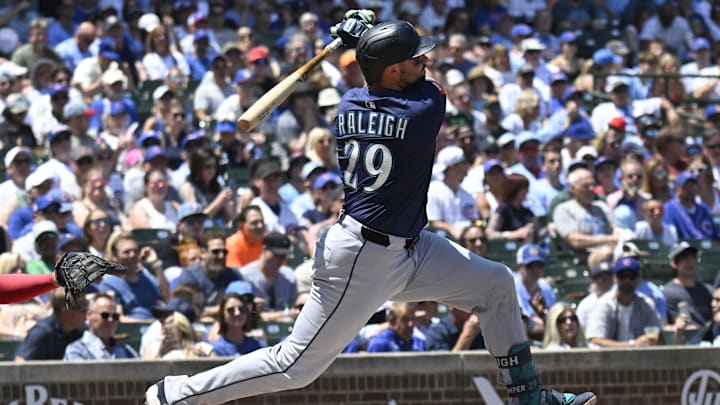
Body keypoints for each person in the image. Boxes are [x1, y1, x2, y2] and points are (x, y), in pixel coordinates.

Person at [146, 17, 596, 405]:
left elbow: (377, 80)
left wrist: (359, 43)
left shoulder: (349, 106)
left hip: (408, 248)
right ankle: (176, 395)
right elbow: (425, 86)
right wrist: (363, 39)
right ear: (395, 69)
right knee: (294, 366)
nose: (426, 63)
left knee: (496, 283)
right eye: (416, 59)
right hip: (363, 257)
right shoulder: (423, 108)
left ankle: (526, 398)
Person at [585, 257, 662, 348]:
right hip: (609, 359)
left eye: (631, 276)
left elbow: (658, 334)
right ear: (614, 278)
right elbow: (595, 340)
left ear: (638, 279)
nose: (627, 281)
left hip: (641, 358)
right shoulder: (604, 303)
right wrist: (632, 345)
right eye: (622, 276)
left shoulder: (646, 304)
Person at [15, 288, 86, 362]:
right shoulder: (41, 332)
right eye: (82, 309)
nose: (86, 313)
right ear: (65, 312)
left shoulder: (83, 333)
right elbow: (20, 362)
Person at [239, 231, 298, 320]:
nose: (280, 259)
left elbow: (294, 309)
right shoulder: (245, 275)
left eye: (283, 256)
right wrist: (286, 314)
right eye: (276, 255)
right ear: (264, 250)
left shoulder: (289, 276)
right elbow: (252, 315)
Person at [63, 293, 138, 360]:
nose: (111, 320)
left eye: (115, 316)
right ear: (89, 315)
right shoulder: (76, 350)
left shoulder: (128, 351)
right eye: (105, 315)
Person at [663, 242, 713, 328]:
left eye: (693, 257)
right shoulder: (667, 293)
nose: (690, 262)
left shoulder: (708, 290)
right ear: (674, 263)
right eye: (684, 258)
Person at [211, 292, 266, 357]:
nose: (237, 313)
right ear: (222, 314)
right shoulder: (217, 349)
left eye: (242, 309)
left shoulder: (258, 346)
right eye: (231, 310)